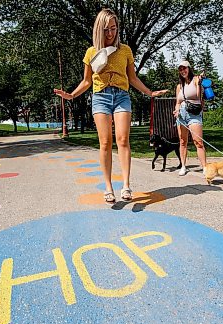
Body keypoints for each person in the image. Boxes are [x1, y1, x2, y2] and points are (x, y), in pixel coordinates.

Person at [54, 8, 167, 204]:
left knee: (123, 139)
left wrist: (149, 92)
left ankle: (126, 185)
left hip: (122, 96)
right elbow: (87, 81)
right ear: (99, 30)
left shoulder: (125, 50)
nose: (110, 33)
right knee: (105, 142)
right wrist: (71, 95)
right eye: (106, 29)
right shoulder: (91, 52)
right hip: (101, 98)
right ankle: (108, 187)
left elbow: (132, 78)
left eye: (114, 28)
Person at [173, 60, 207, 176]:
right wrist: (177, 110)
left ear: (189, 68)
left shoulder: (196, 80)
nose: (183, 71)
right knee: (183, 141)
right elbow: (178, 102)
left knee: (198, 142)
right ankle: (183, 166)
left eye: (185, 68)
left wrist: (199, 81)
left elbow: (198, 96)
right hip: (181, 114)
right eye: (180, 69)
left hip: (194, 114)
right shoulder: (179, 86)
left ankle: (205, 168)